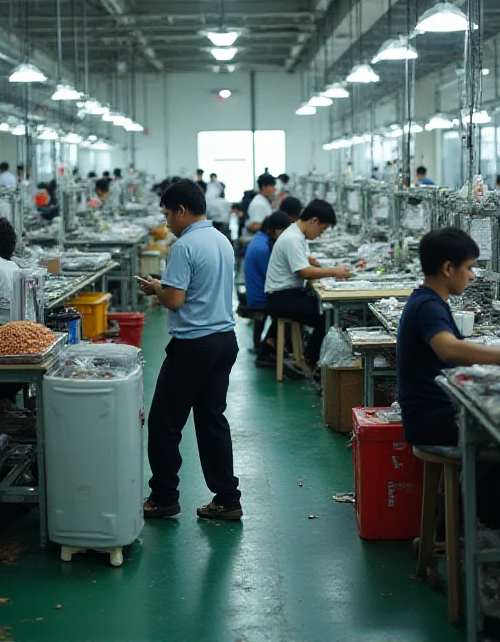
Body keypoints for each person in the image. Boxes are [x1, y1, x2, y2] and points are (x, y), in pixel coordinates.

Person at [137, 179, 242, 522]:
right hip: (224, 341)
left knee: (164, 422)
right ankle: (227, 498)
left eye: (167, 213)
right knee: (212, 420)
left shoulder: (183, 247)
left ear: (181, 210)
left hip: (194, 345)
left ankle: (163, 497)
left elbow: (175, 300)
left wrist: (157, 288)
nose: (166, 220)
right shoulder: (222, 240)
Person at [397, 228, 500, 446]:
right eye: (468, 267)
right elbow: (449, 349)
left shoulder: (427, 300)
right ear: (448, 268)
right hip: (432, 420)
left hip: (431, 412)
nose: (471, 275)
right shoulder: (428, 307)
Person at [265, 200, 351, 368]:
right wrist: (333, 271)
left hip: (287, 294)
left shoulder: (297, 235)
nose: (320, 234)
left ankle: (311, 357)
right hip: (280, 299)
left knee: (327, 311)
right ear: (314, 221)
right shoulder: (292, 238)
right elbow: (303, 272)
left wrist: (316, 264)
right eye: (322, 229)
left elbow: (306, 262)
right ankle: (313, 362)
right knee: (328, 316)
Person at [245, 212, 292, 368]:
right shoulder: (263, 247)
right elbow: (273, 275)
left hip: (257, 292)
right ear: (273, 230)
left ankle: (274, 345)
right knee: (289, 306)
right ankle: (269, 348)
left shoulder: (260, 240)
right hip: (260, 297)